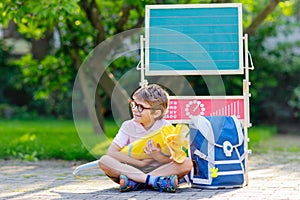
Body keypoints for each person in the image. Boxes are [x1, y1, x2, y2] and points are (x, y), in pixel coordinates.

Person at [98, 84, 193, 192]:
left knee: (187, 163)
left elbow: (172, 158)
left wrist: (157, 156)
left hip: (160, 169)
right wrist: (140, 163)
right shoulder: (128, 126)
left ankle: (135, 182)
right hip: (132, 169)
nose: (134, 109)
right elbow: (112, 152)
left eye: (140, 107)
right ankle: (154, 181)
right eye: (133, 104)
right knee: (104, 161)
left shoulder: (166, 127)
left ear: (156, 113)